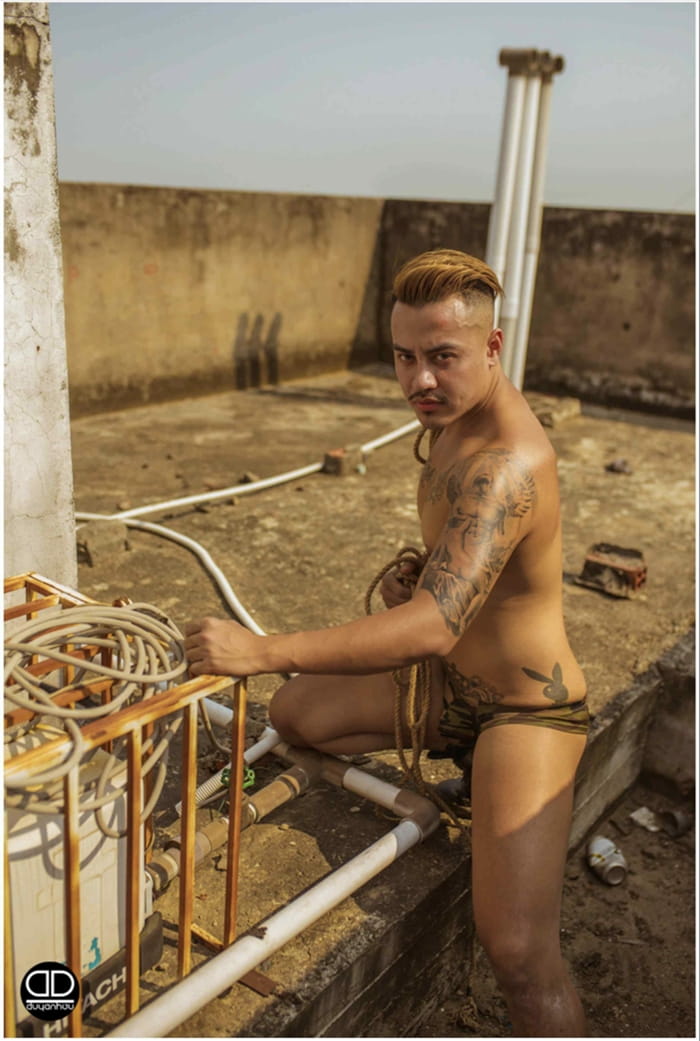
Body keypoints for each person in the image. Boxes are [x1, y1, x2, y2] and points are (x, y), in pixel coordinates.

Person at [185, 248, 589, 1037]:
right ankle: (464, 764)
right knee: (295, 714)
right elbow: (454, 595)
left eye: (442, 356)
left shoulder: (507, 462)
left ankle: (490, 777)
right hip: (447, 688)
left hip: (523, 710)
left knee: (517, 951)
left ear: (494, 347)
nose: (419, 380)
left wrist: (261, 648)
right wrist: (429, 574)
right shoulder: (448, 420)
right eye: (404, 357)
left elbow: (435, 624)